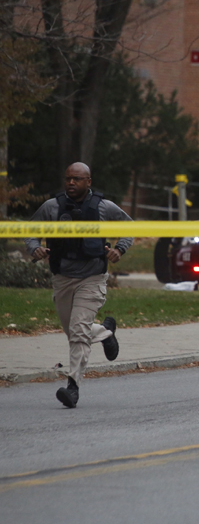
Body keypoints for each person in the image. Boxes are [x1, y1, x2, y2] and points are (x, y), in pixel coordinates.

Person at [24, 162, 133, 408]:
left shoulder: (104, 207)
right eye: (68, 179)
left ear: (88, 182)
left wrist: (119, 249)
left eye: (77, 179)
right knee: (72, 330)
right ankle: (105, 332)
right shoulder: (52, 207)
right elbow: (30, 232)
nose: (71, 183)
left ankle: (73, 387)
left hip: (93, 278)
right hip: (62, 278)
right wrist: (35, 248)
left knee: (78, 332)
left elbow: (130, 227)